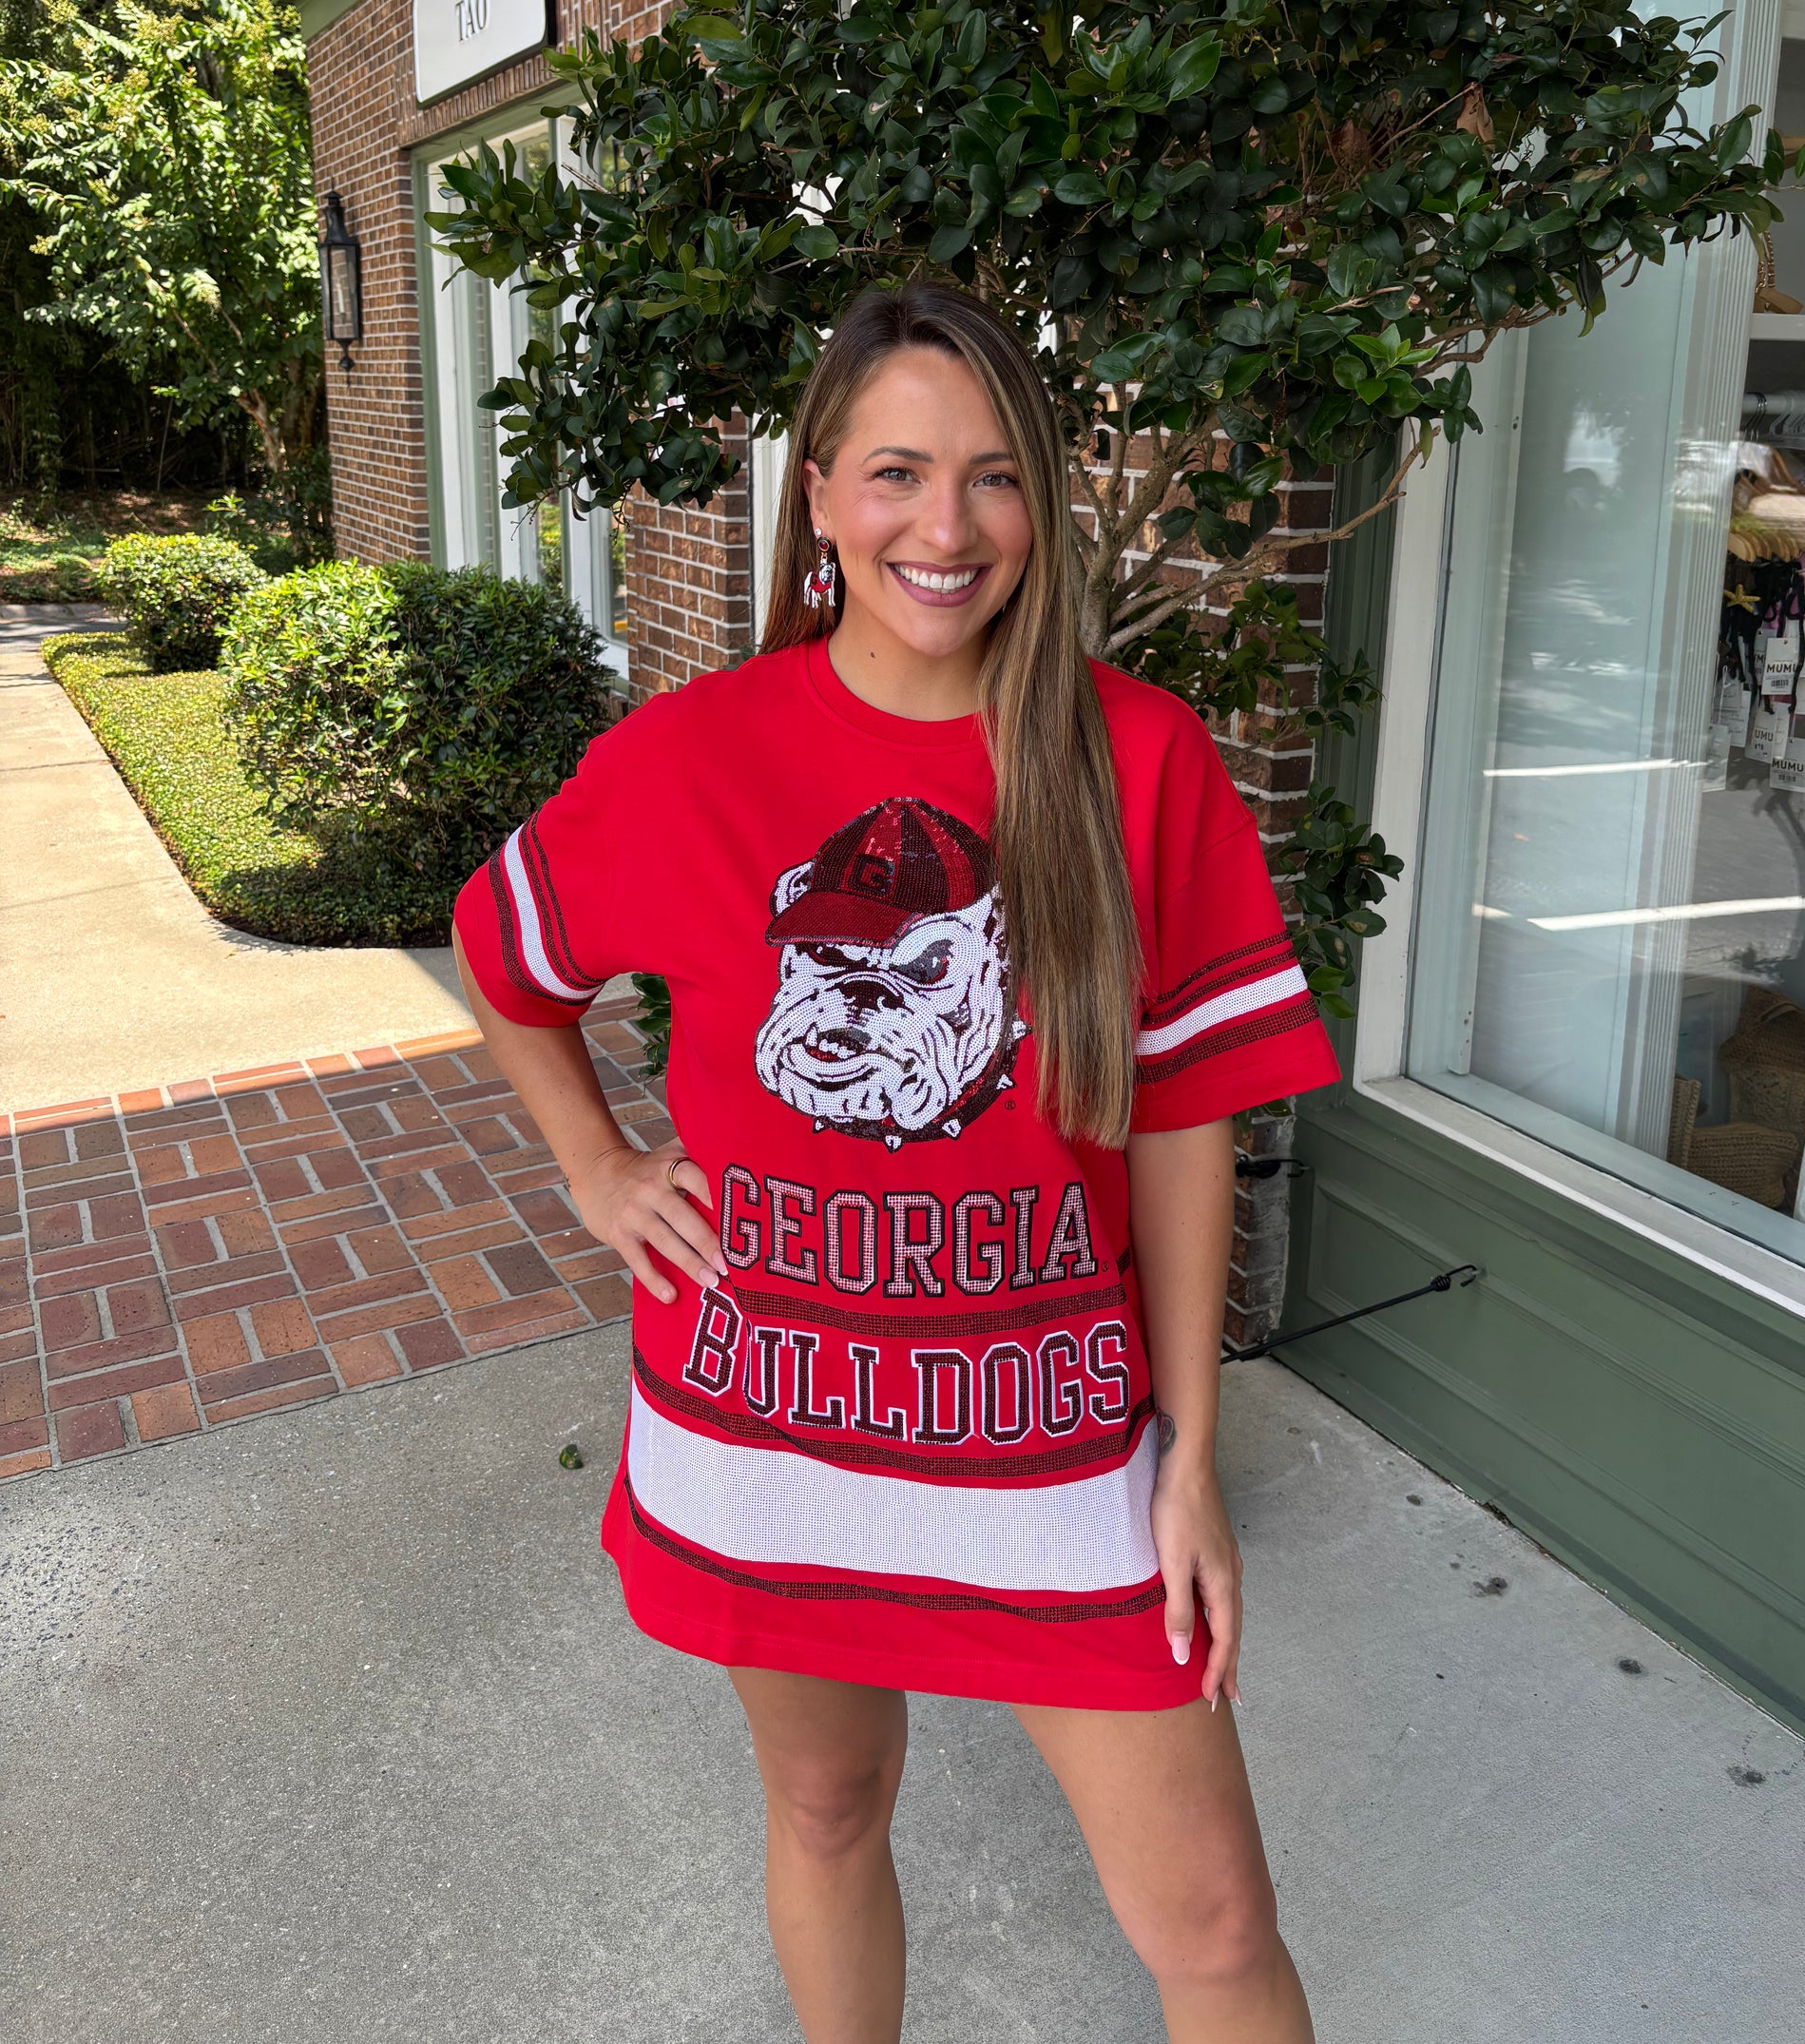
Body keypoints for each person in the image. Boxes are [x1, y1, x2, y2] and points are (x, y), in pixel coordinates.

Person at [452, 280, 1339, 2043]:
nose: (945, 527)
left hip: (1054, 1444)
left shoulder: (1134, 759)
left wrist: (1185, 1456)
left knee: (1216, 1921)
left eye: (996, 479)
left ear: (1043, 510)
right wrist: (595, 1170)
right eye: (896, 473)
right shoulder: (690, 759)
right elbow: (506, 956)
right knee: (829, 1808)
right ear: (820, 500)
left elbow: (1179, 1127)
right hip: (765, 1429)